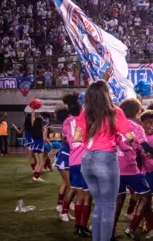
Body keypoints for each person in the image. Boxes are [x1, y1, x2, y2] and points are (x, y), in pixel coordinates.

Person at [74, 80, 135, 241]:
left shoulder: (85, 113)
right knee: (108, 205)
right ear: (106, 94)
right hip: (106, 159)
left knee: (99, 204)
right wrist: (116, 138)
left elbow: (77, 137)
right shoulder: (115, 111)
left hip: (87, 160)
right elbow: (130, 137)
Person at [114, 98, 153, 241]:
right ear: (136, 112)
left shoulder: (115, 124)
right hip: (129, 168)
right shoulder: (137, 127)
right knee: (146, 194)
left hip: (114, 167)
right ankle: (131, 228)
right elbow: (146, 146)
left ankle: (110, 233)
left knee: (119, 199)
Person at [61, 93, 92, 238]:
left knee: (79, 195)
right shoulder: (84, 118)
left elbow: (64, 139)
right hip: (85, 161)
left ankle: (77, 227)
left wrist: (74, 144)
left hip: (72, 161)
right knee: (87, 195)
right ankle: (83, 226)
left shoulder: (66, 122)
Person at [53, 105, 74, 221]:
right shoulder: (68, 123)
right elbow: (64, 139)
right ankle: (63, 211)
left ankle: (61, 205)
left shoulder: (68, 122)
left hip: (67, 157)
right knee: (72, 186)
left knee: (66, 184)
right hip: (65, 157)